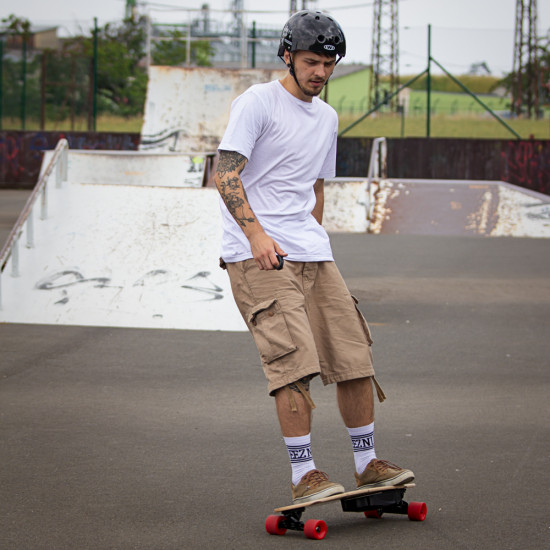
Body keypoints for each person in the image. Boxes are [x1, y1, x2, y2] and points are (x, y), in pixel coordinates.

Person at [214, 9, 414, 505]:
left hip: (312, 253)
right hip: (257, 253)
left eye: (329, 63)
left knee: (353, 355)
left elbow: (314, 185)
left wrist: (315, 239)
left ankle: (367, 465)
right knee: (293, 362)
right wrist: (256, 235)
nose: (320, 72)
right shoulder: (257, 102)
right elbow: (224, 174)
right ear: (287, 55)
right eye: (311, 61)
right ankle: (304, 472)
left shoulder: (327, 117)